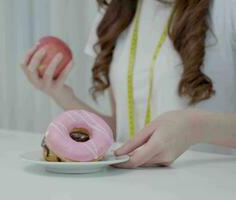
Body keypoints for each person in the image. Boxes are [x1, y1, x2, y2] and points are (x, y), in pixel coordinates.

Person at [20, 0, 236, 168]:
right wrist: (60, 93)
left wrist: (196, 127)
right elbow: (121, 132)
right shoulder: (115, 16)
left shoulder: (227, 9)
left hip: (207, 185)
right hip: (128, 186)